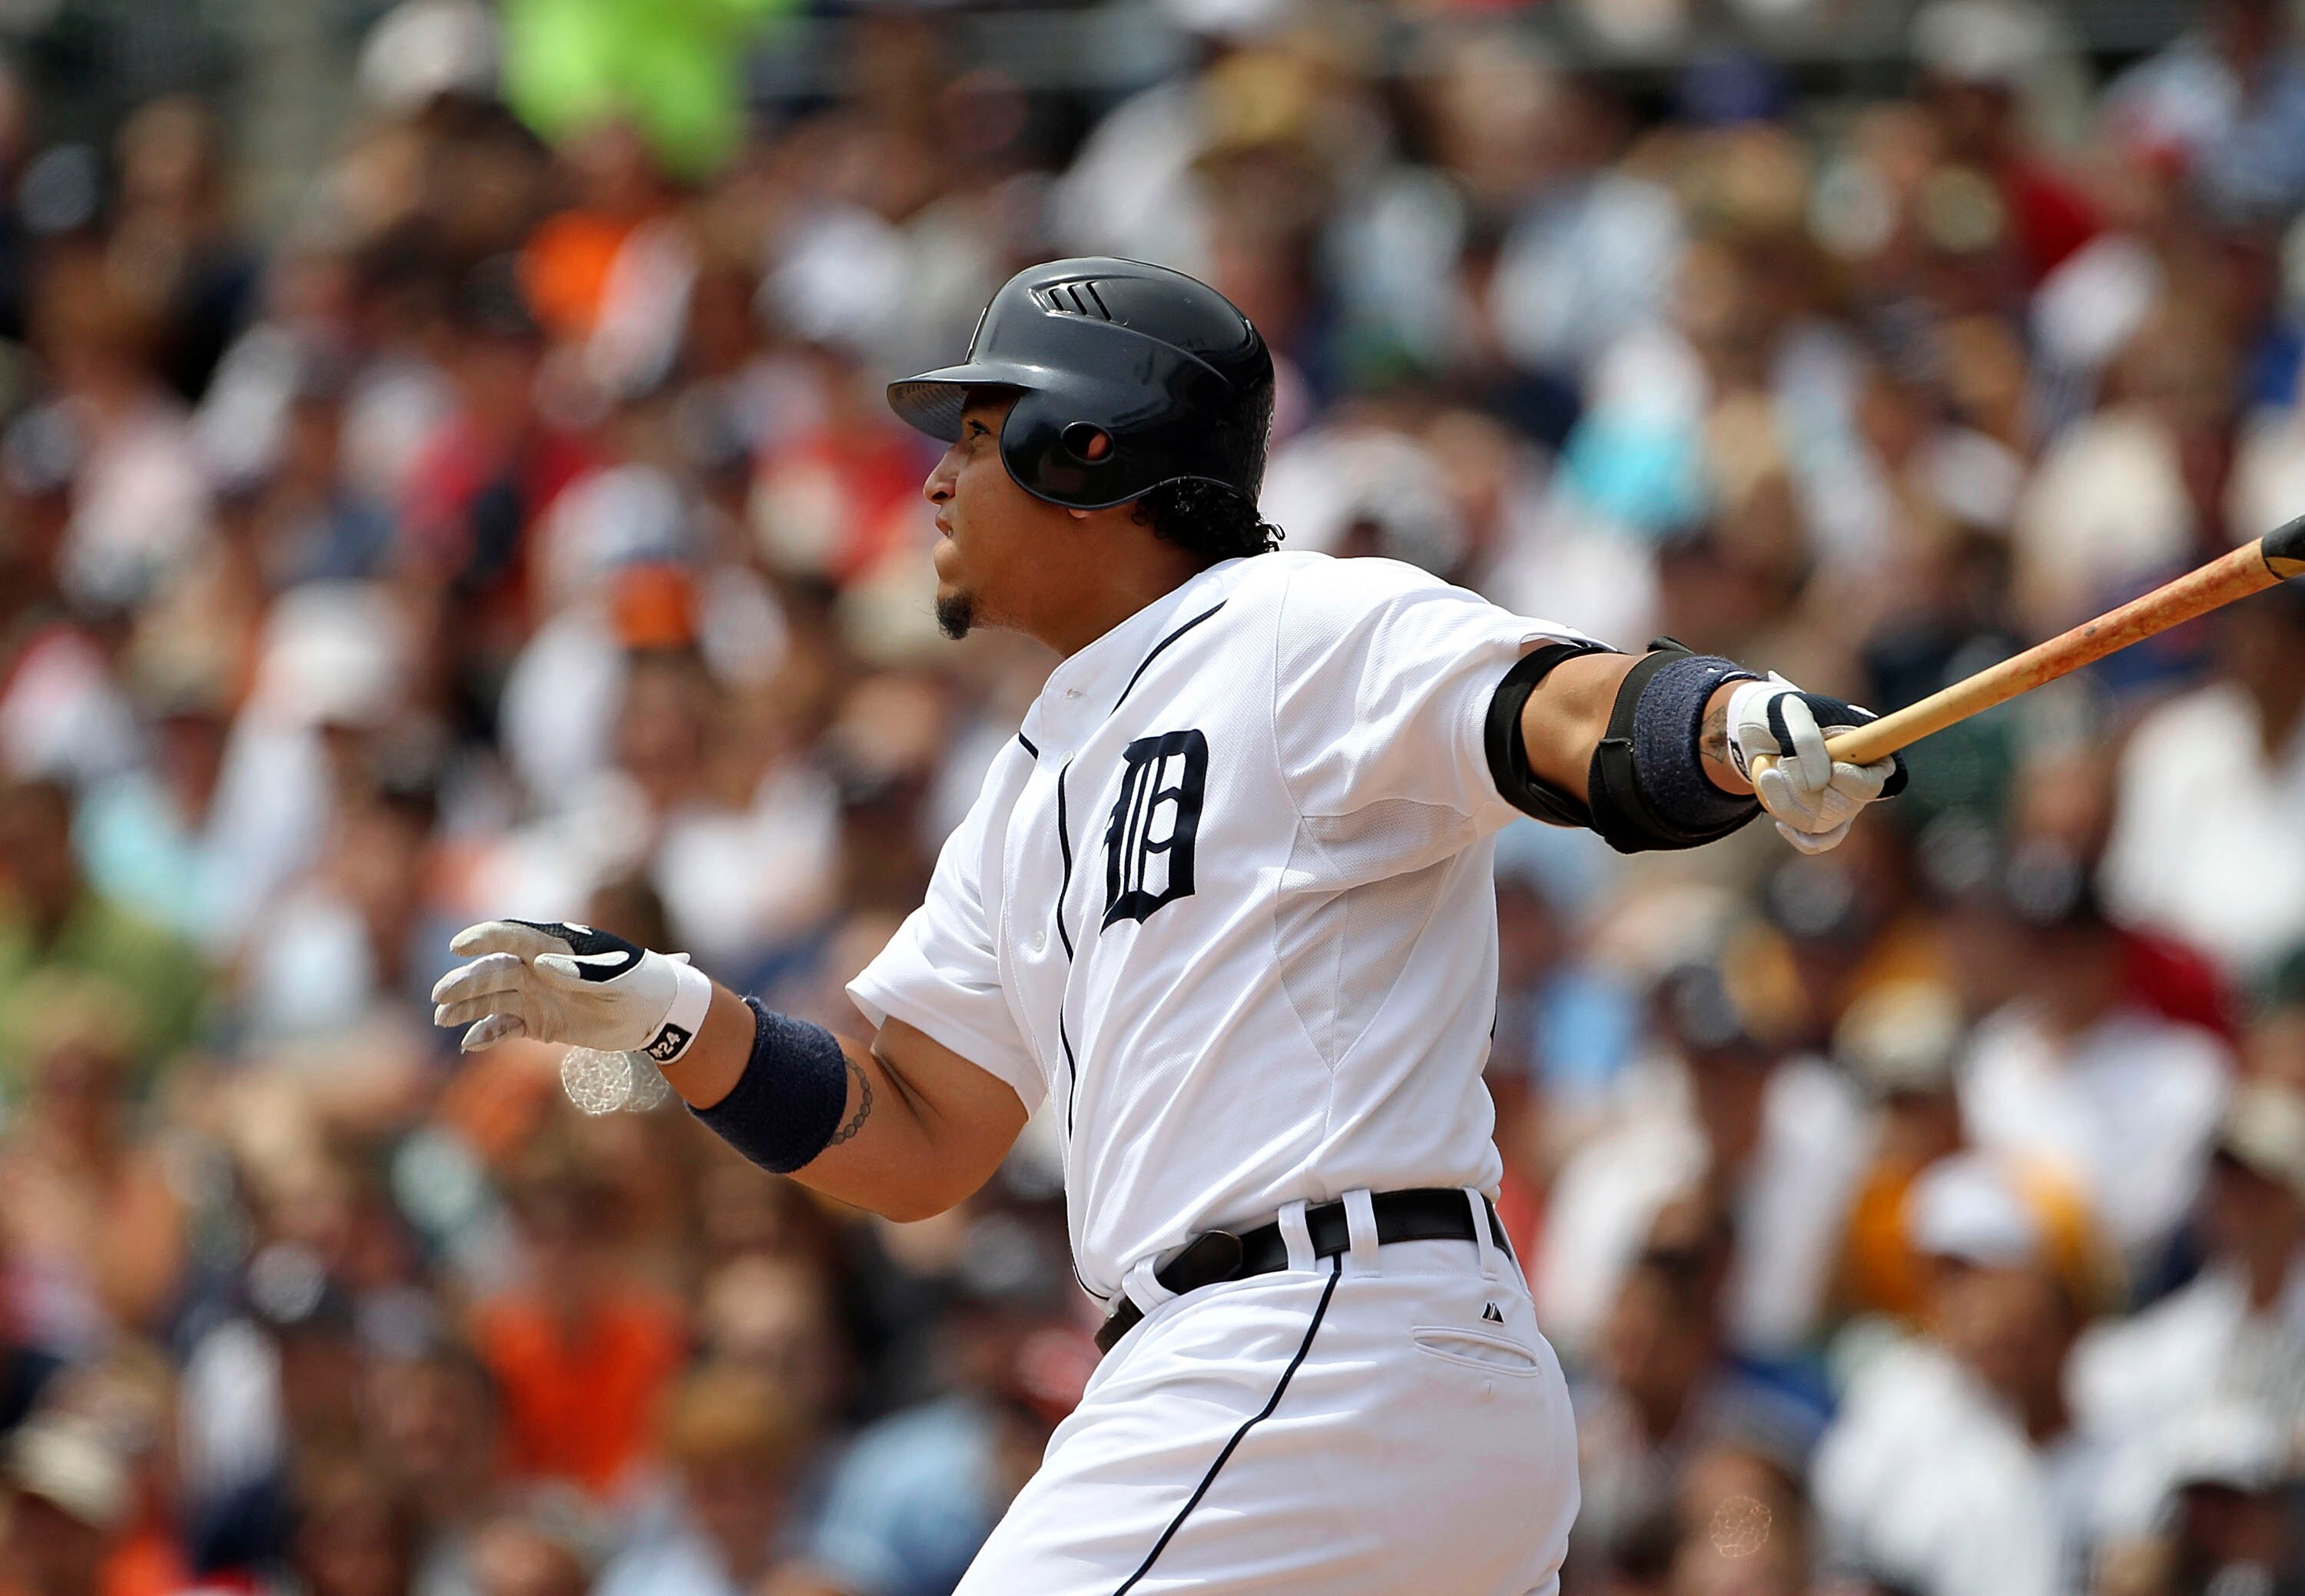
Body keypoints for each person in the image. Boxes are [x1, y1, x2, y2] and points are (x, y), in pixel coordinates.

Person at [430, 257, 1905, 1594]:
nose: (935, 480)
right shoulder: (1028, 786)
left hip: (1312, 1344)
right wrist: (679, 1020)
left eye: (972, 430)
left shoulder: (1292, 624)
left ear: (1090, 446)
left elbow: (1555, 711)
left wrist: (1727, 719)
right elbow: (917, 1133)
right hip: (1334, 1382)